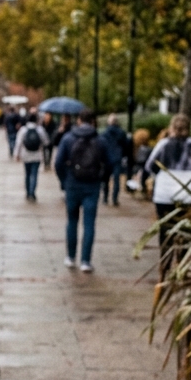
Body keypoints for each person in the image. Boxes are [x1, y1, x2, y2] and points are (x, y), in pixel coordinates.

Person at [54, 110, 110, 273]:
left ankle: (70, 257)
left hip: (73, 183)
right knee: (89, 223)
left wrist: (64, 181)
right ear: (93, 121)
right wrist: (101, 179)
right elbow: (109, 162)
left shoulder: (68, 138)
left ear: (78, 120)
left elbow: (58, 162)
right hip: (92, 185)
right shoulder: (100, 140)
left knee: (72, 221)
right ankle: (86, 260)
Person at [145, 113, 191, 238]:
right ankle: (181, 256)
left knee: (165, 229)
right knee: (186, 231)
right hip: (190, 193)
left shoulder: (164, 144)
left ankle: (166, 255)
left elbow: (150, 166)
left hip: (164, 193)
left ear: (171, 127)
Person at [15, 110, 50, 201]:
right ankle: (32, 193)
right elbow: (46, 142)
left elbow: (18, 143)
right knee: (34, 174)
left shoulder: (23, 129)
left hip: (26, 155)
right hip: (37, 155)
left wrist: (17, 154)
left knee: (27, 174)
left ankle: (27, 192)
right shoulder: (40, 129)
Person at [99, 114, 130, 206]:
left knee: (106, 179)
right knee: (116, 180)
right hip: (117, 158)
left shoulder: (104, 133)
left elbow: (101, 145)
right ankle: (115, 198)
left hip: (106, 158)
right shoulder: (121, 133)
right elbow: (126, 146)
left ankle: (105, 197)